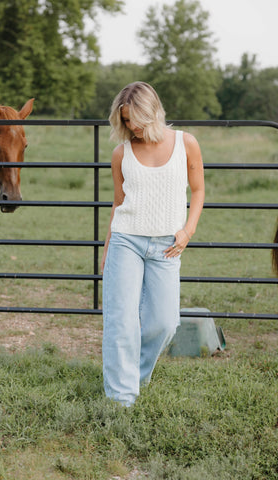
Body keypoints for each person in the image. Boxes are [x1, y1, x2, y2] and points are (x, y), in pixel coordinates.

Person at [101, 81, 205, 407]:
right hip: (126, 241)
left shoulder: (186, 143)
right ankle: (121, 400)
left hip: (166, 247)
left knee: (164, 323)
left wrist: (188, 231)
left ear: (154, 113)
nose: (131, 127)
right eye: (126, 121)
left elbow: (199, 191)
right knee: (121, 321)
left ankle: (134, 374)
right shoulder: (122, 153)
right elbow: (119, 205)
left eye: (136, 120)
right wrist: (107, 251)